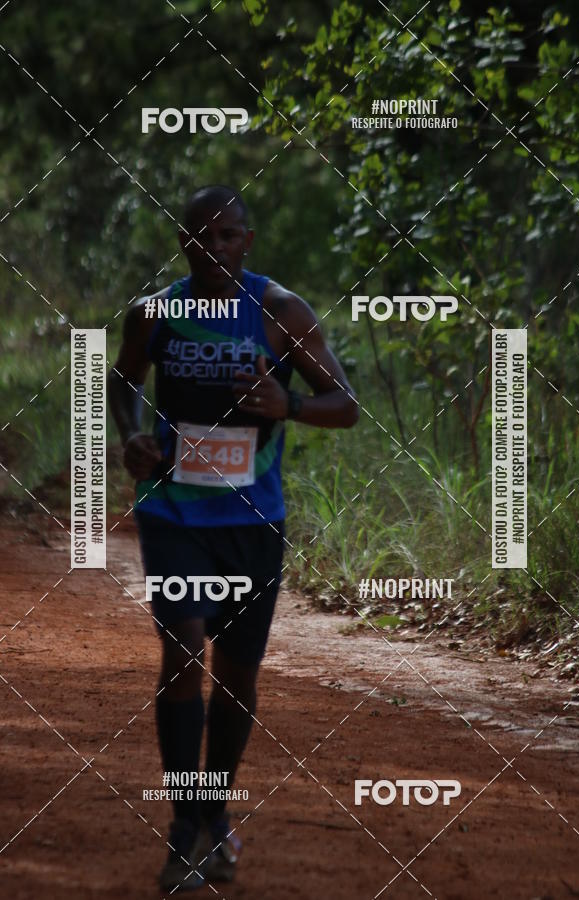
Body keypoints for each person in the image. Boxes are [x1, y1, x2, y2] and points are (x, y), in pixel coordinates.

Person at [108, 184, 359, 891]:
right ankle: (184, 828)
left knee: (239, 677)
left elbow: (347, 407)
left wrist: (293, 404)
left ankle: (215, 813)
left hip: (253, 522)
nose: (212, 248)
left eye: (227, 236)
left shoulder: (281, 314)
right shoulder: (154, 314)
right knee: (186, 652)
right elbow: (121, 380)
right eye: (199, 236)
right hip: (172, 513)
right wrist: (132, 434)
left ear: (247, 243)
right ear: (181, 243)